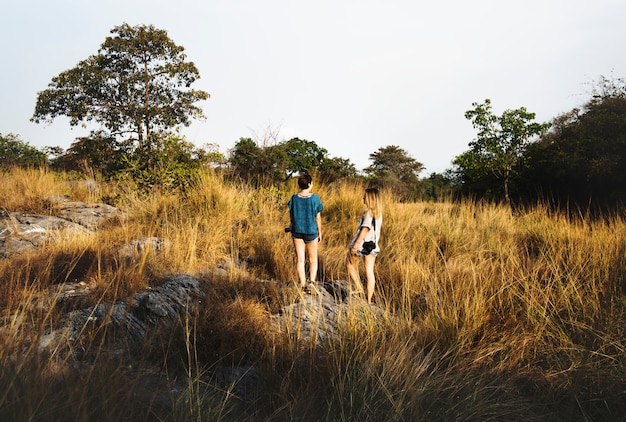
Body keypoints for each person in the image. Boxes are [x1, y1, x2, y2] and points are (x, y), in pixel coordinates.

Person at [287, 174, 324, 293]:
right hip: (311, 231)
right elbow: (318, 217)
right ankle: (312, 282)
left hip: (297, 230)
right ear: (309, 184)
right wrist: (320, 232)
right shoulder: (315, 198)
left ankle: (302, 285)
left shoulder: (294, 198)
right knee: (313, 259)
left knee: (300, 260)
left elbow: (291, 215)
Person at [347, 187, 382, 304]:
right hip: (373, 246)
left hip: (362, 245)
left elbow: (365, 229)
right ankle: (369, 300)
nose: (363, 198)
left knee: (350, 265)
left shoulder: (368, 213)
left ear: (370, 198)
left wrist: (355, 244)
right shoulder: (379, 214)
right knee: (370, 272)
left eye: (365, 196)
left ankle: (358, 288)